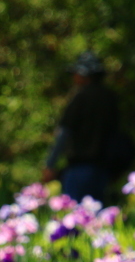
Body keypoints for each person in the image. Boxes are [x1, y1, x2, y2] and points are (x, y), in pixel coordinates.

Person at [43, 52, 122, 204]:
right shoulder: (110, 98)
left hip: (79, 168)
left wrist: (50, 165)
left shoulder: (81, 97)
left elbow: (64, 133)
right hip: (103, 169)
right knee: (97, 217)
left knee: (74, 216)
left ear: (84, 75)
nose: (74, 77)